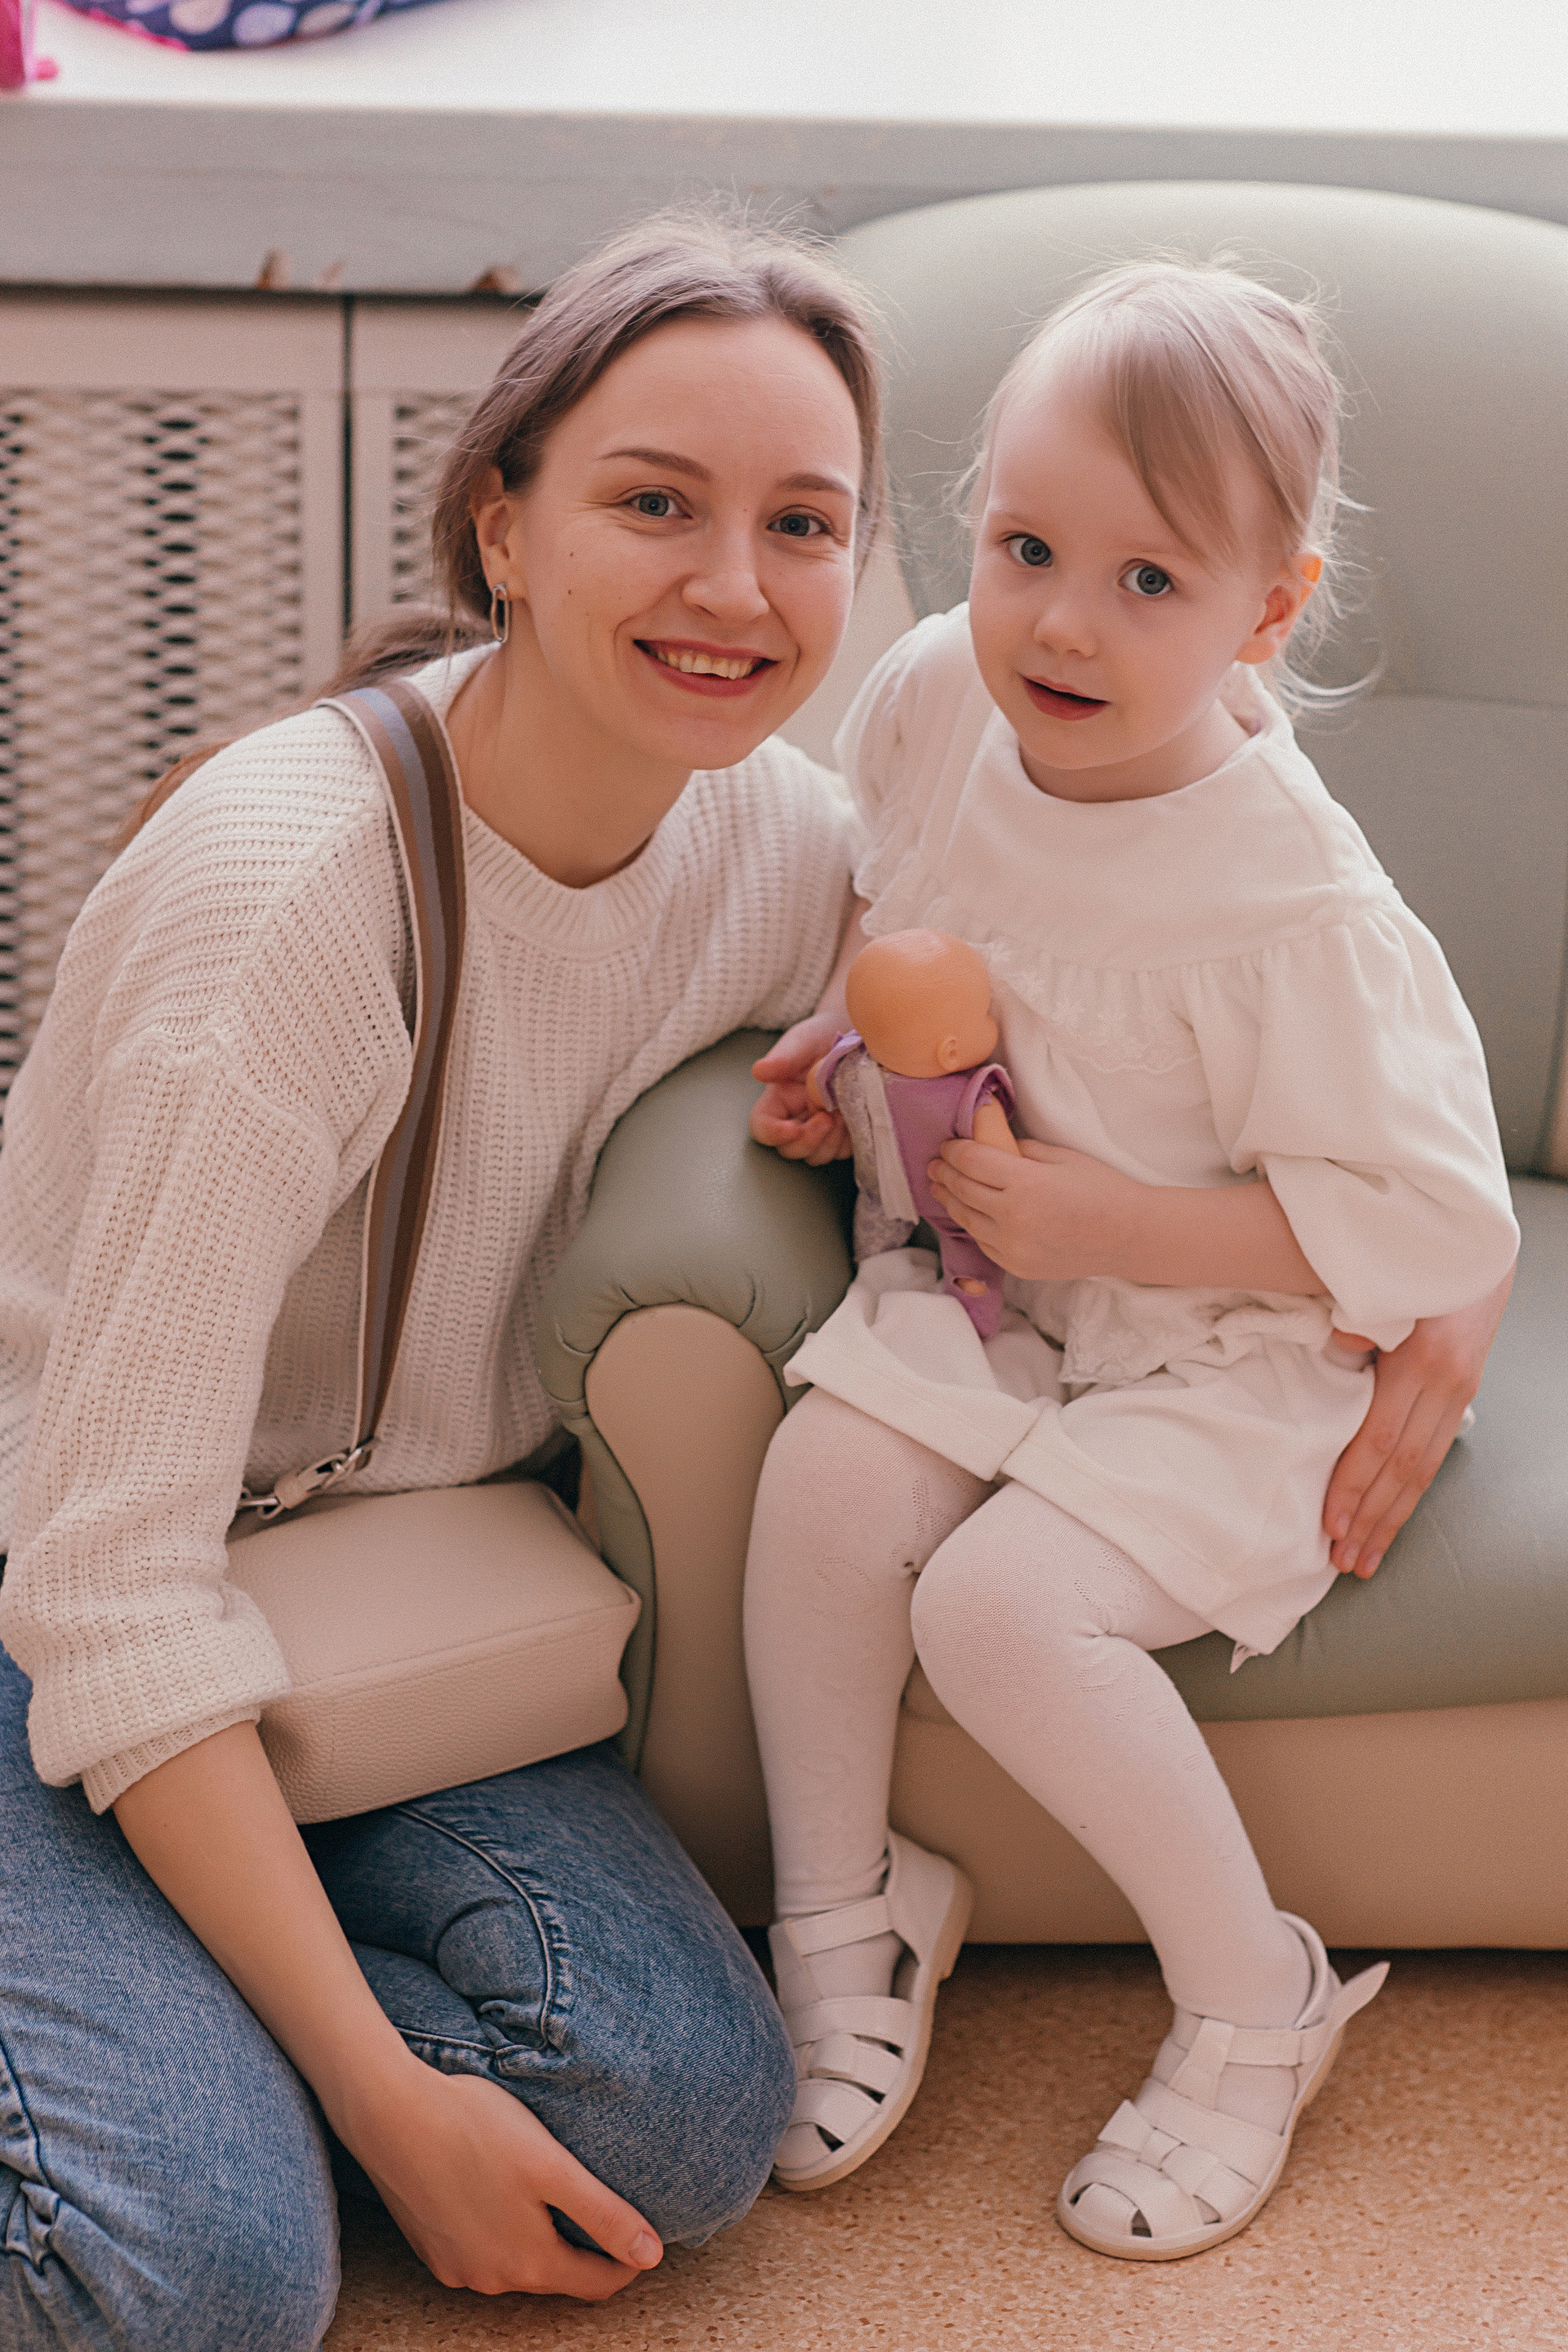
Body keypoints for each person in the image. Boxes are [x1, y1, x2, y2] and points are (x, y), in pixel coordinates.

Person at [0, 208, 881, 2347]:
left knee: (682, 2113)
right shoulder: (286, 909)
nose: (736, 587)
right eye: (653, 505)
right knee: (193, 2286)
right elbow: (107, 1580)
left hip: (358, 1586)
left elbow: (1074, 929)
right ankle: (168, 2102)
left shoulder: (777, 840)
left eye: (802, 524)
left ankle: (157, 2044)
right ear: (502, 524)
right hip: (57, 1580)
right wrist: (387, 2101)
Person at [742, 261, 1519, 2257]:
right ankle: (844, 1912)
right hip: (1001, 1282)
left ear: (1267, 610)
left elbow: (1426, 1220)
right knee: (823, 1484)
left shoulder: (1291, 902)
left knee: (1000, 1609)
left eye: (1149, 581)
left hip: (1236, 1340)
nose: (1063, 625)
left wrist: (1122, 1224)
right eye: (1024, 550)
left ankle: (1258, 1999)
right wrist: (844, 1041)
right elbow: (917, 913)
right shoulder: (941, 700)